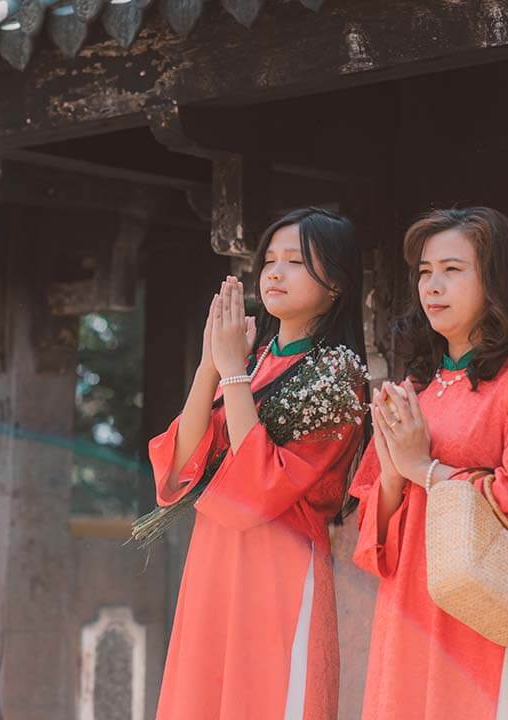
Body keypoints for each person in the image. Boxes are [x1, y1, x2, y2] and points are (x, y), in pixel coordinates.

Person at [351, 206, 508, 719]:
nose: (433, 286)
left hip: (489, 612)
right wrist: (392, 473)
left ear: (497, 281)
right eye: (425, 272)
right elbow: (372, 538)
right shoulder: (415, 390)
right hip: (410, 605)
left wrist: (424, 471)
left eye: (453, 270)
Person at [149, 208, 368, 720]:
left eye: (295, 261)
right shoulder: (251, 358)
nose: (274, 272)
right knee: (202, 693)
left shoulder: (338, 373)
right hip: (215, 553)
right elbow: (180, 470)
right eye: (270, 259)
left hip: (278, 562)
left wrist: (231, 373)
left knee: (266, 698)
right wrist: (211, 364)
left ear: (336, 281)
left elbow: (259, 484)